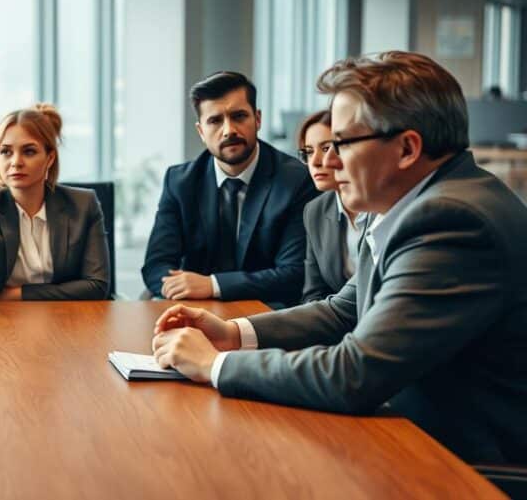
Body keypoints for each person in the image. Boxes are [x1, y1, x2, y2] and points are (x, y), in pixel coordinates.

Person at [151, 51, 527, 464]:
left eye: (342, 143)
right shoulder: (413, 205)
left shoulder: (451, 220)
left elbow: (355, 373)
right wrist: (232, 333)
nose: (327, 162)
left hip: (467, 464)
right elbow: (342, 310)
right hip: (412, 434)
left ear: (406, 149)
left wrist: (216, 365)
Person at [141, 71, 318, 306]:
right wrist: (180, 288)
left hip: (267, 314)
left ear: (257, 119)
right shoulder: (181, 182)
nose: (229, 130)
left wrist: (213, 285)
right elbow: (157, 265)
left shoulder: (296, 181)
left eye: (239, 116)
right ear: (201, 131)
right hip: (194, 310)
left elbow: (294, 273)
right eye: (215, 121)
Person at [0, 104, 110, 301]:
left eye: (29, 152)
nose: (16, 162)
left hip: (59, 318)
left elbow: (97, 285)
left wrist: (18, 294)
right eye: (6, 152)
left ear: (50, 158)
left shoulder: (82, 204)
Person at [296, 110, 370, 302]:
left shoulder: (381, 206)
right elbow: (313, 293)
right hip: (334, 324)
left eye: (327, 148)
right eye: (309, 152)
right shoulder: (314, 211)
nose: (316, 162)